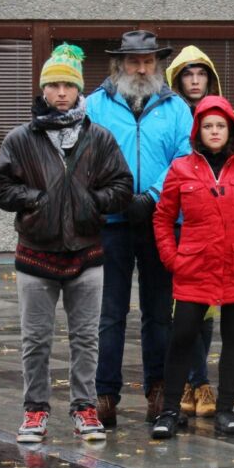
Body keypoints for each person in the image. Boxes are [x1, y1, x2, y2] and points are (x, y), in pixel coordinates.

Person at [0, 44, 134, 443]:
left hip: (87, 256)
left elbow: (122, 186)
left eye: (67, 85)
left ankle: (85, 409)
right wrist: (36, 200)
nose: (60, 93)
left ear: (78, 89)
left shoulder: (99, 138)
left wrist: (93, 203)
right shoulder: (21, 138)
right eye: (52, 85)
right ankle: (34, 411)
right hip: (35, 255)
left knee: (86, 338)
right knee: (35, 339)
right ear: (43, 90)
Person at [150, 95, 234, 438]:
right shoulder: (181, 168)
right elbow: (163, 218)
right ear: (198, 130)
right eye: (207, 126)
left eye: (220, 125)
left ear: (231, 129)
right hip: (194, 267)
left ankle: (226, 409)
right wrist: (172, 258)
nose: (214, 131)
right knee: (182, 336)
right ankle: (169, 410)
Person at [85, 30, 193, 427]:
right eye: (134, 61)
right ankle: (104, 394)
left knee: (158, 312)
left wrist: (151, 195)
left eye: (149, 61)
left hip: (161, 219)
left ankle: (158, 390)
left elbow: (185, 157)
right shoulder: (94, 106)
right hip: (109, 223)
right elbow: (85, 156)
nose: (142, 68)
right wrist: (114, 197)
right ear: (119, 65)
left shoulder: (177, 108)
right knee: (109, 312)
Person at [165, 45, 225, 422]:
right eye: (187, 74)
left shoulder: (220, 117)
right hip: (178, 226)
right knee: (182, 311)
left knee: (207, 311)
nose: (194, 80)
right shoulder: (169, 116)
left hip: (213, 229)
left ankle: (196, 380)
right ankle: (194, 381)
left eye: (200, 73)